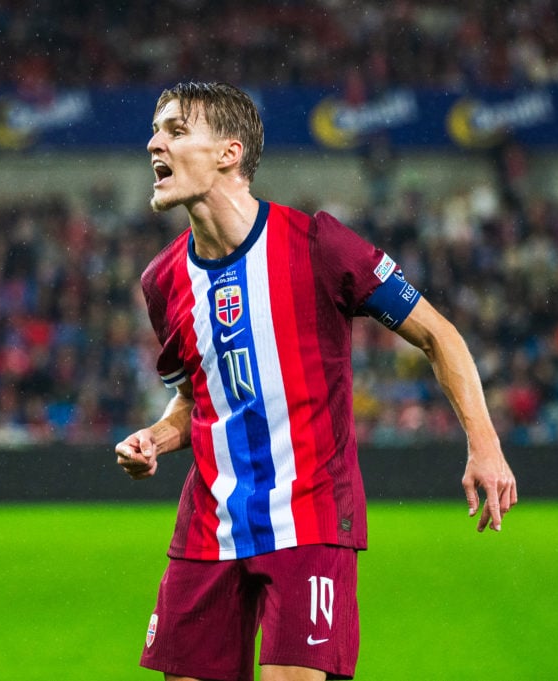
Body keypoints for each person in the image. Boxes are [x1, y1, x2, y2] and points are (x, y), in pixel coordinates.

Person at [114, 82, 517, 681]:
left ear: (228, 152)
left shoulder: (318, 245)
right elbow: (195, 400)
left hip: (310, 517)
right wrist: (155, 436)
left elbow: (440, 335)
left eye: (175, 130)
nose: (153, 142)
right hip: (209, 526)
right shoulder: (161, 281)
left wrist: (483, 443)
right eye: (155, 129)